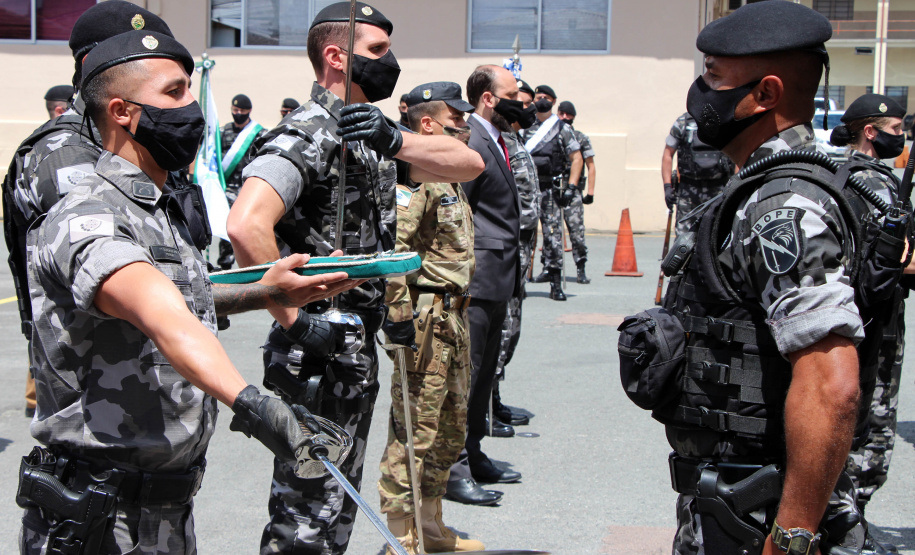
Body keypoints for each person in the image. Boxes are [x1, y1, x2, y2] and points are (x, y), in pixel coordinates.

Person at [19, 29, 359, 555]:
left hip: (163, 509)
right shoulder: (87, 212)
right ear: (122, 111)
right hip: (99, 518)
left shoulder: (154, 208)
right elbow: (159, 313)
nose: (191, 108)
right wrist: (255, 405)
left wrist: (267, 289)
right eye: (175, 93)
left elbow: (179, 296)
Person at [225, 3, 484, 553]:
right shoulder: (310, 130)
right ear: (336, 56)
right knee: (306, 515)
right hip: (317, 349)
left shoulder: (370, 130)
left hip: (352, 342)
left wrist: (396, 139)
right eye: (377, 50)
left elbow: (468, 164)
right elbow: (247, 226)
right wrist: (294, 319)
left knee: (336, 507)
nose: (390, 62)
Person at [655, 3, 871, 553]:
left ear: (766, 94)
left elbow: (831, 383)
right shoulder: (761, 187)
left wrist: (791, 535)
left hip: (760, 508)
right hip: (739, 496)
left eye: (714, 76)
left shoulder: (783, 208)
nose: (700, 90)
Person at [3, 1, 211, 420]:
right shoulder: (65, 154)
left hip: (156, 371)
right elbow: (106, 269)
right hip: (98, 390)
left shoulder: (143, 140)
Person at [377, 81, 483, 554]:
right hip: (425, 318)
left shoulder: (449, 178)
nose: (464, 126)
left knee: (449, 426)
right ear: (428, 124)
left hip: (452, 317)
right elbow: (394, 254)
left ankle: (431, 524)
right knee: (414, 427)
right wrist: (398, 318)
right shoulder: (415, 177)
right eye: (456, 119)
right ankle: (401, 535)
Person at [830, 93, 910, 554]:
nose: (901, 139)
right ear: (871, 131)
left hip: (843, 316)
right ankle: (847, 525)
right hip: (877, 324)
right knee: (870, 428)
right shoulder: (876, 184)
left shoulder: (831, 172)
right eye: (896, 131)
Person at [445, 65, 525, 507]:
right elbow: (461, 215)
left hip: (499, 278)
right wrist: (464, 276)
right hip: (476, 279)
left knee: (482, 374)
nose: (521, 101)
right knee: (465, 374)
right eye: (512, 94)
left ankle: (473, 451)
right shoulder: (472, 140)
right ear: (489, 98)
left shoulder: (496, 138)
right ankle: (454, 467)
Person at [492, 78, 539, 431]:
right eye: (517, 101)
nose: (525, 108)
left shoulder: (514, 138)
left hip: (520, 249)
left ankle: (493, 399)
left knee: (512, 328)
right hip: (503, 250)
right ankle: (485, 409)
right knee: (499, 328)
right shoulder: (492, 141)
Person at [523, 84, 582, 301]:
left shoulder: (561, 128)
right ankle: (520, 283)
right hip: (527, 190)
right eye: (538, 97)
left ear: (553, 102)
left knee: (553, 236)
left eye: (546, 97)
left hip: (550, 190)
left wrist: (571, 187)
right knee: (525, 236)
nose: (542, 100)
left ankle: (556, 284)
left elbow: (577, 157)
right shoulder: (524, 126)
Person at [661, 111, 735, 236]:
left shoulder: (723, 120)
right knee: (683, 241)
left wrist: (735, 186)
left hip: (718, 191)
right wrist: (667, 187)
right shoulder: (683, 122)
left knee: (717, 238)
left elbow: (736, 154)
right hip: (688, 193)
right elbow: (668, 154)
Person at [218, 93, 266, 270]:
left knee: (247, 226)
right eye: (235, 109)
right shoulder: (222, 132)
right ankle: (224, 263)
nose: (238, 113)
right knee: (227, 225)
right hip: (228, 188)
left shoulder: (258, 133)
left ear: (249, 111)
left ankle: (249, 264)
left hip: (249, 187)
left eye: (242, 110)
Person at [557, 100, 595, 284]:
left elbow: (591, 166)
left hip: (573, 192)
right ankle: (550, 270)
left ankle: (581, 267)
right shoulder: (550, 136)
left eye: (568, 114)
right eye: (562, 113)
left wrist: (590, 193)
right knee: (552, 234)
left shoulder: (580, 138)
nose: (565, 117)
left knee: (577, 233)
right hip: (554, 190)